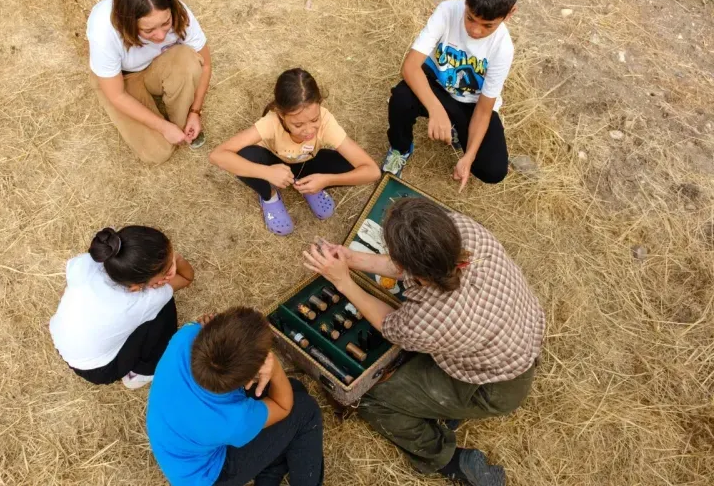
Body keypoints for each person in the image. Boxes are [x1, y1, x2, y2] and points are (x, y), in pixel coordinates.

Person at [303, 198, 544, 486]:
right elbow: (419, 266)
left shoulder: (429, 320)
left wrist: (344, 282)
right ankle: (439, 407)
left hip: (494, 387)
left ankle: (446, 459)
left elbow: (388, 324)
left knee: (370, 398)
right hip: (519, 337)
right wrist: (351, 258)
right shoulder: (465, 230)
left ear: (412, 270)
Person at [146, 306, 324, 486]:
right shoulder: (234, 419)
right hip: (208, 476)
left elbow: (211, 329)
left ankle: (270, 472)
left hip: (177, 442)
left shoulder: (185, 336)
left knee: (294, 388)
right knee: (305, 410)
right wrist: (275, 368)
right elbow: (283, 407)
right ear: (248, 380)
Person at [382, 0, 520, 190]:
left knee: (493, 169)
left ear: (510, 13)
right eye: (470, 18)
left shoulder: (503, 48)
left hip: (471, 104)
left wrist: (469, 157)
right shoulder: (447, 11)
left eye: (487, 25)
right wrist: (436, 110)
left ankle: (456, 129)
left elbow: (485, 109)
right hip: (437, 84)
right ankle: (401, 148)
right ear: (466, 0)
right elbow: (410, 67)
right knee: (401, 98)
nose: (475, 30)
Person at [209, 68, 380, 236]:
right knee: (245, 156)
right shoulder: (270, 122)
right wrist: (266, 172)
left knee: (350, 163)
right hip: (272, 160)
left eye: (314, 119)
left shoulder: (327, 122)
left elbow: (372, 171)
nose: (309, 130)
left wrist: (327, 180)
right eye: (298, 125)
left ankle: (309, 183)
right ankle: (269, 195)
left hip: (305, 161)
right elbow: (218, 155)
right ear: (281, 115)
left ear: (319, 105)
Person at [86, 0, 212, 164]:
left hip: (156, 64)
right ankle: (168, 127)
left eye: (165, 23)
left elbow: (205, 65)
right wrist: (162, 127)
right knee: (158, 153)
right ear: (127, 23)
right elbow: (117, 95)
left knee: (188, 60)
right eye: (148, 30)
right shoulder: (103, 30)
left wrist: (196, 111)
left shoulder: (180, 12)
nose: (161, 36)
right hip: (122, 78)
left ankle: (181, 123)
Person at [49, 226, 194, 389]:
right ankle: (142, 373)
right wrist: (177, 259)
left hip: (61, 340)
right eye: (166, 272)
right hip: (98, 369)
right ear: (136, 286)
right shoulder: (142, 301)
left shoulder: (88, 262)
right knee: (164, 307)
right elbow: (186, 277)